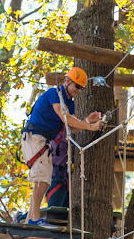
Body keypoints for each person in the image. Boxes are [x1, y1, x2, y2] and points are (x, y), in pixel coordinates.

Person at [21, 67, 102, 229]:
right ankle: (33, 218)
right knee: (41, 178)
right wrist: (91, 127)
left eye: (81, 88)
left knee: (43, 179)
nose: (79, 90)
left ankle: (30, 217)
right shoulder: (54, 94)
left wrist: (87, 122)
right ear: (67, 81)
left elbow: (70, 127)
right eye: (77, 86)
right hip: (35, 136)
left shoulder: (70, 104)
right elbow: (64, 117)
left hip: (43, 141)